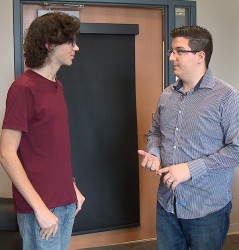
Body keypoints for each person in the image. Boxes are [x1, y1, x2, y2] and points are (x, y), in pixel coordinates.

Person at [138, 25, 239, 250]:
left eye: (178, 51)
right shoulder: (167, 94)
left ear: (200, 56)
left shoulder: (228, 97)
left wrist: (190, 169)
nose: (171, 57)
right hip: (167, 203)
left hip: (206, 208)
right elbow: (155, 132)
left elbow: (236, 150)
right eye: (171, 51)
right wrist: (154, 152)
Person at [0, 12, 85, 250]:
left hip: (65, 201)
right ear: (49, 44)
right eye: (70, 41)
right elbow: (6, 153)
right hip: (41, 207)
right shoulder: (23, 89)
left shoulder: (57, 86)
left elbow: (51, 148)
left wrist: (72, 187)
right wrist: (39, 208)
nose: (76, 48)